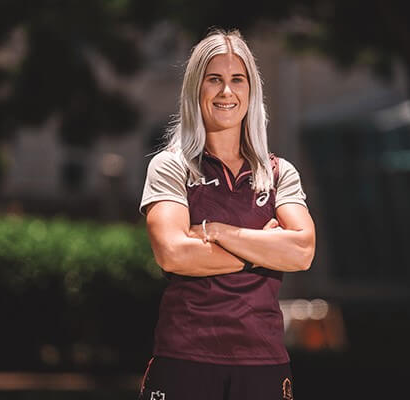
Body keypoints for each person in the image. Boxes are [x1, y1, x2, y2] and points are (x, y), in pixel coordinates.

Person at [137, 28, 316, 400]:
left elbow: (301, 251)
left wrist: (217, 231)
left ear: (251, 92)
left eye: (237, 80)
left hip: (264, 364)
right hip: (185, 359)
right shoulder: (171, 167)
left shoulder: (279, 173)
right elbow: (173, 253)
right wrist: (263, 249)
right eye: (214, 79)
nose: (226, 92)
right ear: (195, 89)